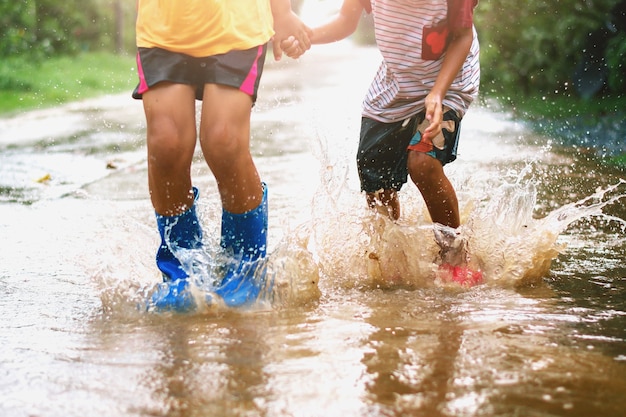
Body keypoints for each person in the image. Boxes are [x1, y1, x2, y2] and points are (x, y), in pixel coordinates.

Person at [133, 0, 312, 312]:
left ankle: (244, 268)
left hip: (236, 23)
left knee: (224, 142)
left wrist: (280, 12)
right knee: (166, 143)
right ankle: (181, 270)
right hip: (163, 26)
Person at [291, 0, 482, 285]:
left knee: (423, 162)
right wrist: (306, 36)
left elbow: (463, 36)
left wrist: (438, 93)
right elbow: (346, 20)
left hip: (449, 84)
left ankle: (455, 257)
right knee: (376, 183)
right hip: (396, 88)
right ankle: (393, 256)